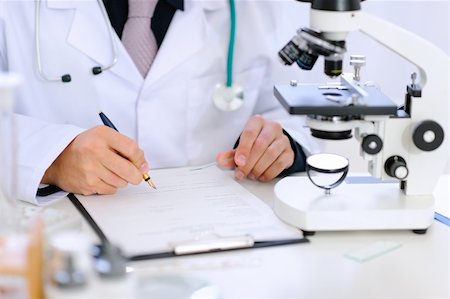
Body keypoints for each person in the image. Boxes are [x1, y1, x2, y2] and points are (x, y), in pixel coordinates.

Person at [0, 0, 318, 205]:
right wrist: (54, 159)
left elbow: (293, 111)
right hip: (64, 237)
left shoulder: (253, 7)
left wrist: (282, 146)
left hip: (218, 234)